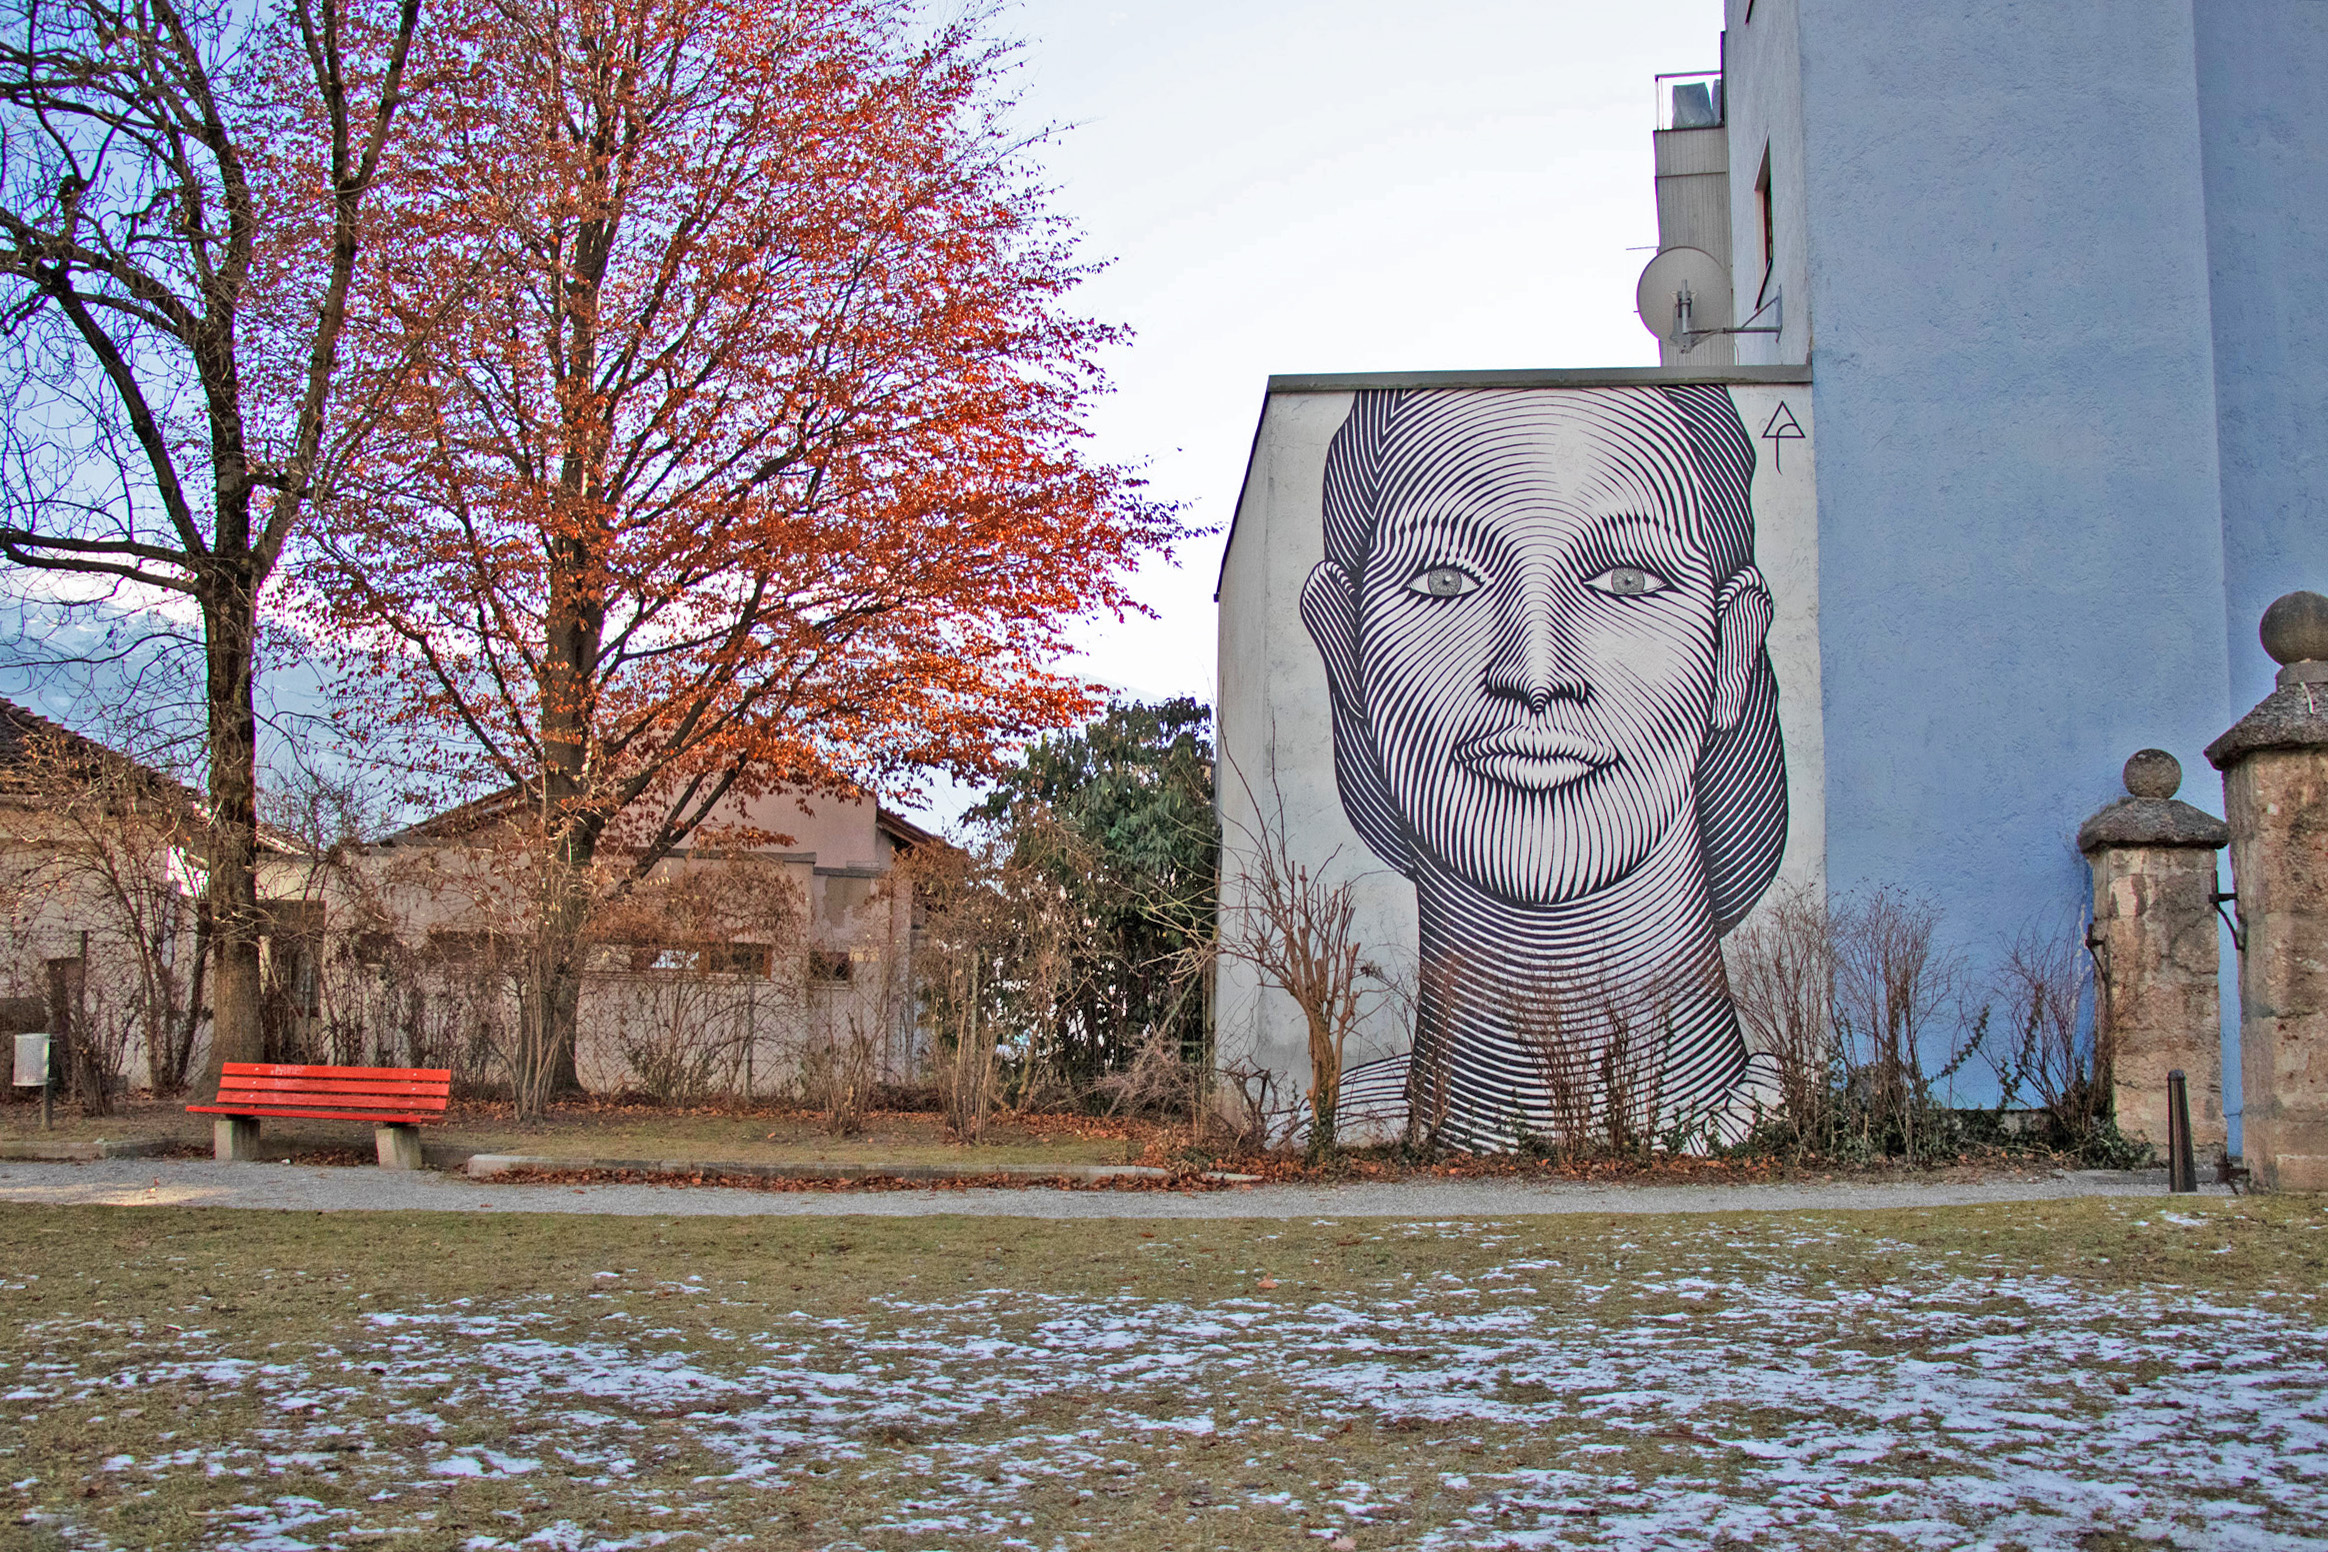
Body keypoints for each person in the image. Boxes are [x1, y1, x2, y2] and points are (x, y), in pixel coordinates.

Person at [1300, 384, 1786, 1150]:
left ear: (1731, 650)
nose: (1534, 671)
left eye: (1628, 582)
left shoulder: (1810, 1116)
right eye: (1445, 582)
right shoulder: (1305, 1126)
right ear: (1344, 645)